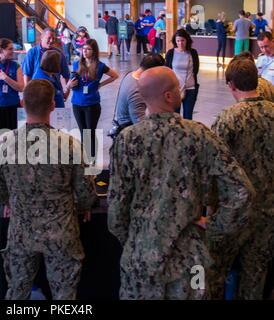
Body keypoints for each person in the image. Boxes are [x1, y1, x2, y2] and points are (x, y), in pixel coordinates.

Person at [108, 66, 254, 300]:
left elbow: (115, 212)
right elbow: (242, 191)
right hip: (192, 263)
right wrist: (216, 227)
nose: (182, 91)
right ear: (168, 95)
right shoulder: (199, 135)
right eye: (178, 87)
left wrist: (138, 239)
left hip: (141, 258)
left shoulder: (127, 140)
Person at [0, 79, 97, 300]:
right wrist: (82, 206)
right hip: (62, 233)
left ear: (22, 103)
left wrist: (10, 202)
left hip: (21, 232)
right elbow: (86, 193)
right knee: (65, 295)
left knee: (17, 291)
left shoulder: (4, 143)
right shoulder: (70, 144)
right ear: (53, 106)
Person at [210, 58, 274, 300]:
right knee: (255, 279)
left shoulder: (228, 119)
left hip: (233, 214)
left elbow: (214, 169)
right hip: (267, 215)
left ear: (230, 85)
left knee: (218, 273)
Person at [68, 39, 118, 159]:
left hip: (92, 103)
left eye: (88, 49)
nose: (84, 51)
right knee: (82, 131)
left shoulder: (100, 66)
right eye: (83, 49)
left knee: (90, 132)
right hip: (77, 103)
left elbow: (115, 75)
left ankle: (92, 158)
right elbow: (71, 82)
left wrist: (101, 84)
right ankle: (85, 157)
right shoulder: (77, 64)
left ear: (94, 51)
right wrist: (69, 85)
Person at [115, 53, 165, 129]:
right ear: (152, 71)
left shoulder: (131, 74)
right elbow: (141, 125)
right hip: (128, 127)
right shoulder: (137, 91)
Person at [165, 29, 200, 120]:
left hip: (190, 88)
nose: (180, 43)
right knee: (175, 116)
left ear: (187, 40)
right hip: (175, 89)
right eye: (178, 41)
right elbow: (167, 70)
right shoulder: (171, 53)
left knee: (188, 116)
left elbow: (196, 70)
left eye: (182, 40)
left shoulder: (193, 53)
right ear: (175, 41)